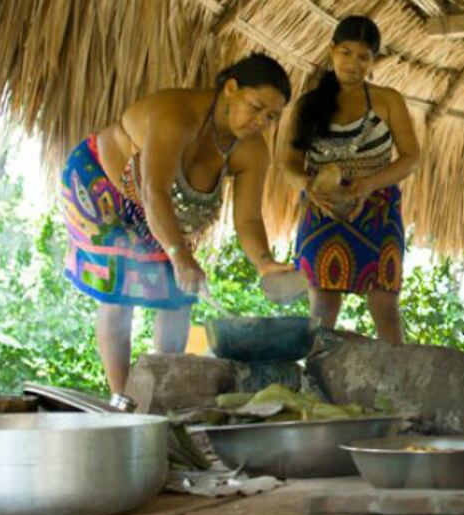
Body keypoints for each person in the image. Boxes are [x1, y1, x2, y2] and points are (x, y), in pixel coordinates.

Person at [60, 53, 296, 394]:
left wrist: (265, 263)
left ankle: (160, 393)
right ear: (230, 89)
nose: (261, 120)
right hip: (101, 186)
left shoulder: (252, 150)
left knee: (179, 296)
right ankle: (121, 398)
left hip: (158, 208)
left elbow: (247, 218)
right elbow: (155, 191)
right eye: (256, 107)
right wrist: (179, 254)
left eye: (272, 116)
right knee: (119, 290)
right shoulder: (177, 115)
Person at [281, 16, 420, 344]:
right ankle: (315, 379)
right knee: (322, 306)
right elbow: (287, 164)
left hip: (377, 211)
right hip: (321, 207)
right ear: (331, 51)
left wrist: (368, 186)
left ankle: (396, 382)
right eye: (346, 52)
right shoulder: (308, 105)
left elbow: (411, 157)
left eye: (363, 56)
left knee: (385, 304)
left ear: (373, 61)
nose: (353, 63)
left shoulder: (388, 100)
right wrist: (310, 188)